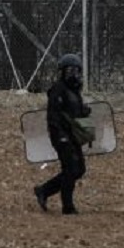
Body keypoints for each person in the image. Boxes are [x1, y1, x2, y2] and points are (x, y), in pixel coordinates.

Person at [33, 53, 92, 215]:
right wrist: (61, 136)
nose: (73, 74)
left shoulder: (75, 92)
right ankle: (68, 206)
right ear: (62, 72)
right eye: (69, 71)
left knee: (79, 169)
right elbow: (54, 116)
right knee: (70, 168)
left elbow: (74, 112)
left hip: (72, 135)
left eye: (76, 71)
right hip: (61, 136)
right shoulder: (58, 90)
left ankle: (44, 190)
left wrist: (84, 112)